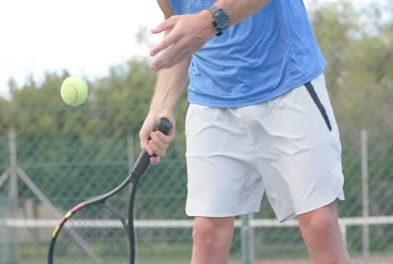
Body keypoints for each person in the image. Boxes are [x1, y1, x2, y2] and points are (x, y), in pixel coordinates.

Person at [139, 0, 351, 263]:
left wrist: (208, 21)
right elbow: (180, 34)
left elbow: (199, 26)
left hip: (290, 84)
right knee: (207, 234)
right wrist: (161, 107)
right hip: (211, 98)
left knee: (320, 224)